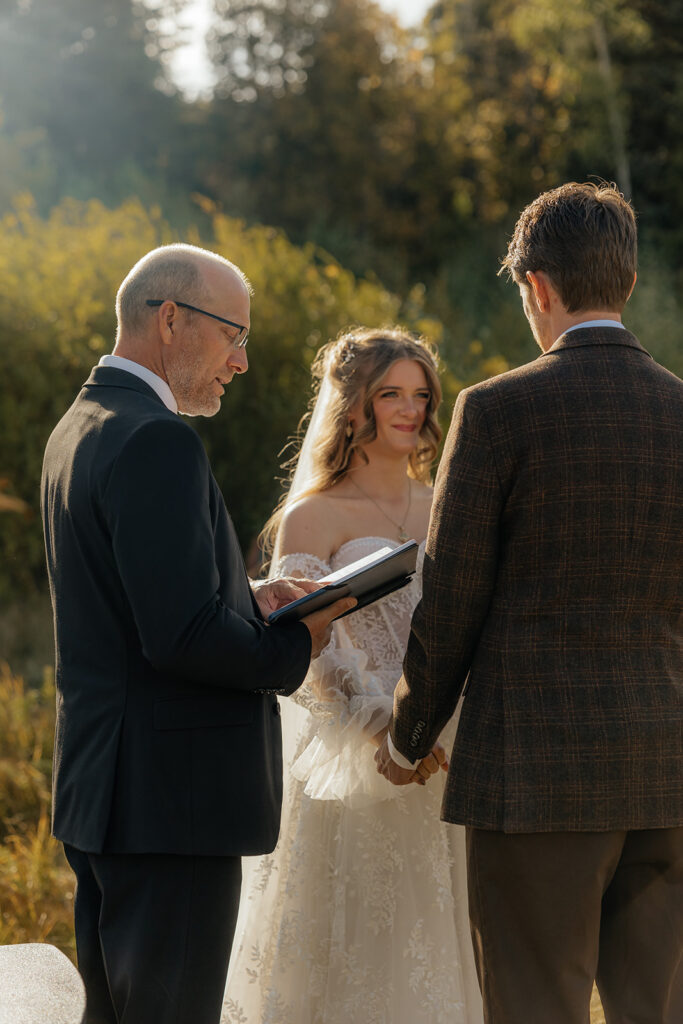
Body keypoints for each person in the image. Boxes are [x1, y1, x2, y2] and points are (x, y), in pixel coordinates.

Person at [376, 182, 683, 1022]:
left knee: (533, 1007)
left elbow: (451, 599)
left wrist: (409, 734)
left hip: (534, 778)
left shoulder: (498, 409)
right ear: (623, 279)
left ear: (537, 287)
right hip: (665, 770)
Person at [40, 243, 355, 1024]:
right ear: (170, 318)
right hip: (170, 804)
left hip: (107, 794)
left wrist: (246, 595)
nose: (240, 361)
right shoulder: (158, 440)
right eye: (232, 335)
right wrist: (298, 637)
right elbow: (179, 639)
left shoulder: (79, 426)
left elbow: (126, 598)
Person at [223, 328, 484, 1024]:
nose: (409, 409)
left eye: (420, 395)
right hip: (355, 750)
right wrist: (383, 730)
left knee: (435, 926)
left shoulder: (445, 504)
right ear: (352, 407)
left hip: (447, 741)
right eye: (389, 394)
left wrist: (432, 722)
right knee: (349, 931)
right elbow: (311, 643)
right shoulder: (314, 513)